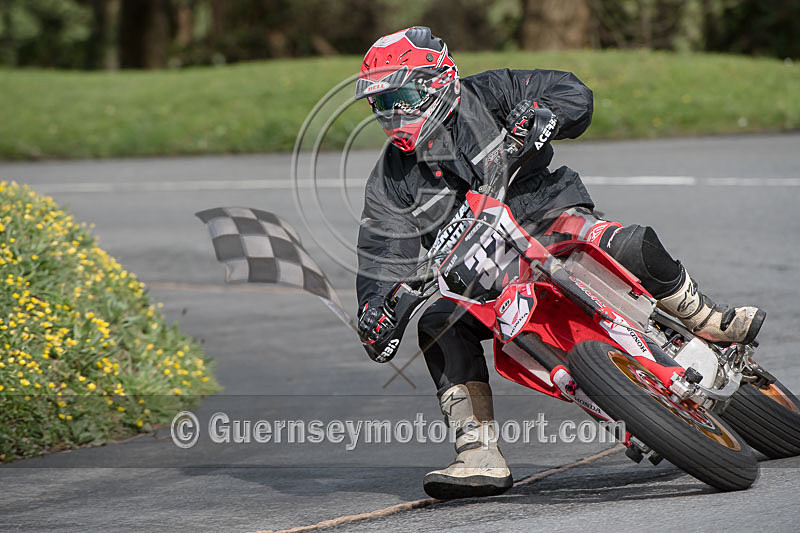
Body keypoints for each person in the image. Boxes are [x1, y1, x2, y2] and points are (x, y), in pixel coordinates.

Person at [353, 26, 765, 500]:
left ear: (436, 79)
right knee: (439, 322)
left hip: (552, 219)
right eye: (380, 104)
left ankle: (707, 318)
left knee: (626, 244)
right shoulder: (390, 179)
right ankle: (478, 452)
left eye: (399, 96)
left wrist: (541, 115)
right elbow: (381, 252)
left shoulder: (492, 92)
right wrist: (376, 310)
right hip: (486, 276)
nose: (391, 113)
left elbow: (571, 91)